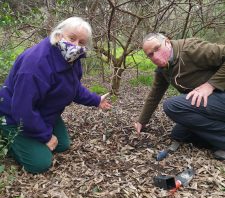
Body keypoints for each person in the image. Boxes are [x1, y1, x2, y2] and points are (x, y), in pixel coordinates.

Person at [0, 16, 111, 173]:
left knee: (62, 145)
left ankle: (36, 133)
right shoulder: (35, 64)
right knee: (40, 163)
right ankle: (7, 139)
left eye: (82, 42)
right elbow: (22, 108)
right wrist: (46, 136)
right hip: (13, 115)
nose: (76, 45)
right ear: (59, 35)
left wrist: (96, 100)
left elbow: (73, 87)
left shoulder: (71, 57)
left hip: (41, 109)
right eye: (72, 38)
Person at [134, 32, 225, 160]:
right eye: (150, 54)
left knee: (172, 106)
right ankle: (218, 141)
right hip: (209, 104)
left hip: (221, 94)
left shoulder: (190, 49)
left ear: (167, 41)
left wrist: (210, 85)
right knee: (179, 134)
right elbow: (155, 94)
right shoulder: (164, 69)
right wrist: (141, 121)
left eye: (157, 48)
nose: (155, 55)